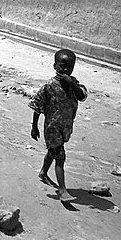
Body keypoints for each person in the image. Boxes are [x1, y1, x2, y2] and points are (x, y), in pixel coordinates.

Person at [28, 48, 87, 202]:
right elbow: (37, 107)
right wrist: (34, 126)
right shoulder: (49, 86)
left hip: (65, 128)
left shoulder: (75, 85)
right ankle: (62, 190)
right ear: (55, 66)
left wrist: (72, 85)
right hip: (52, 128)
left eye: (70, 67)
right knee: (60, 155)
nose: (65, 70)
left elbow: (82, 96)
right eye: (62, 66)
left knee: (52, 153)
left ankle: (43, 173)